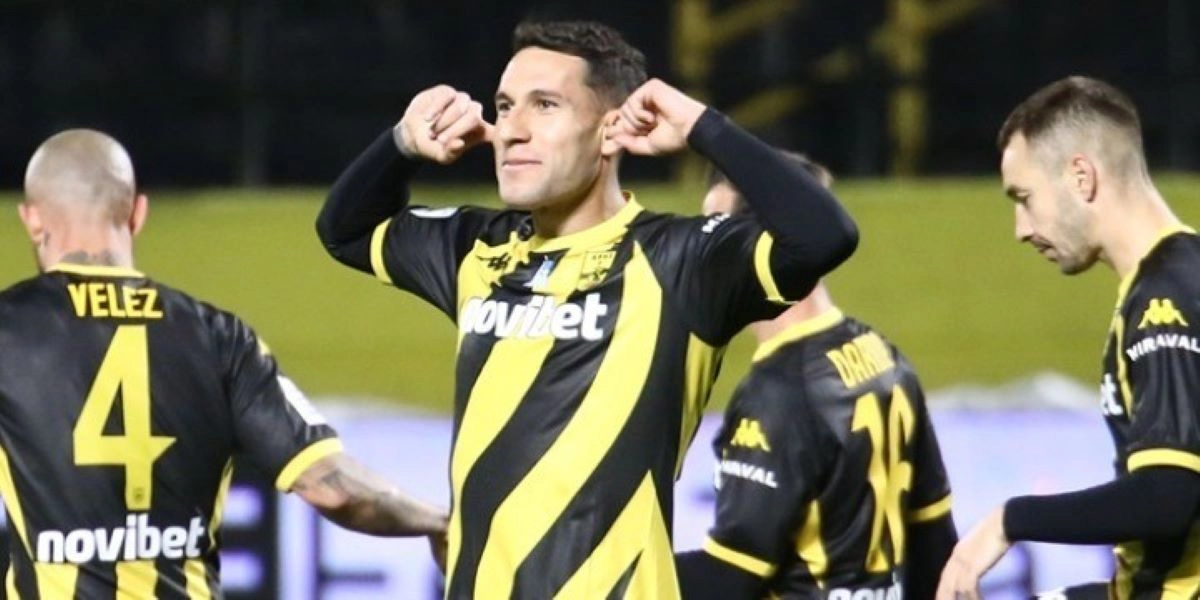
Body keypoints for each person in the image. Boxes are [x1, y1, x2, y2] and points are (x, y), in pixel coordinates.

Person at [316, 19, 858, 599]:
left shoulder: (683, 261)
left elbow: (824, 235)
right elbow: (344, 231)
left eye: (544, 105)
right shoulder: (476, 248)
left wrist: (704, 127)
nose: (511, 130)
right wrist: (402, 144)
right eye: (505, 106)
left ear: (610, 130)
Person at [0, 129, 448, 598]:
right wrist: (436, 520)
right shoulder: (219, 337)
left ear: (31, 219)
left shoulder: (8, 331)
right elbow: (333, 488)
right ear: (137, 214)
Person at [937, 76, 1200, 599]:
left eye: (1024, 197)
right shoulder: (1178, 275)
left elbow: (1167, 496)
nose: (1020, 228)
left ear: (1081, 176)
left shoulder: (1164, 301)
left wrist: (1009, 520)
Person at [675, 154, 955, 599]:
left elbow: (731, 576)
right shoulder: (884, 356)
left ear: (767, 245)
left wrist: (597, 575)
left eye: (714, 229)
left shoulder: (779, 392)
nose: (700, 251)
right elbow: (934, 539)